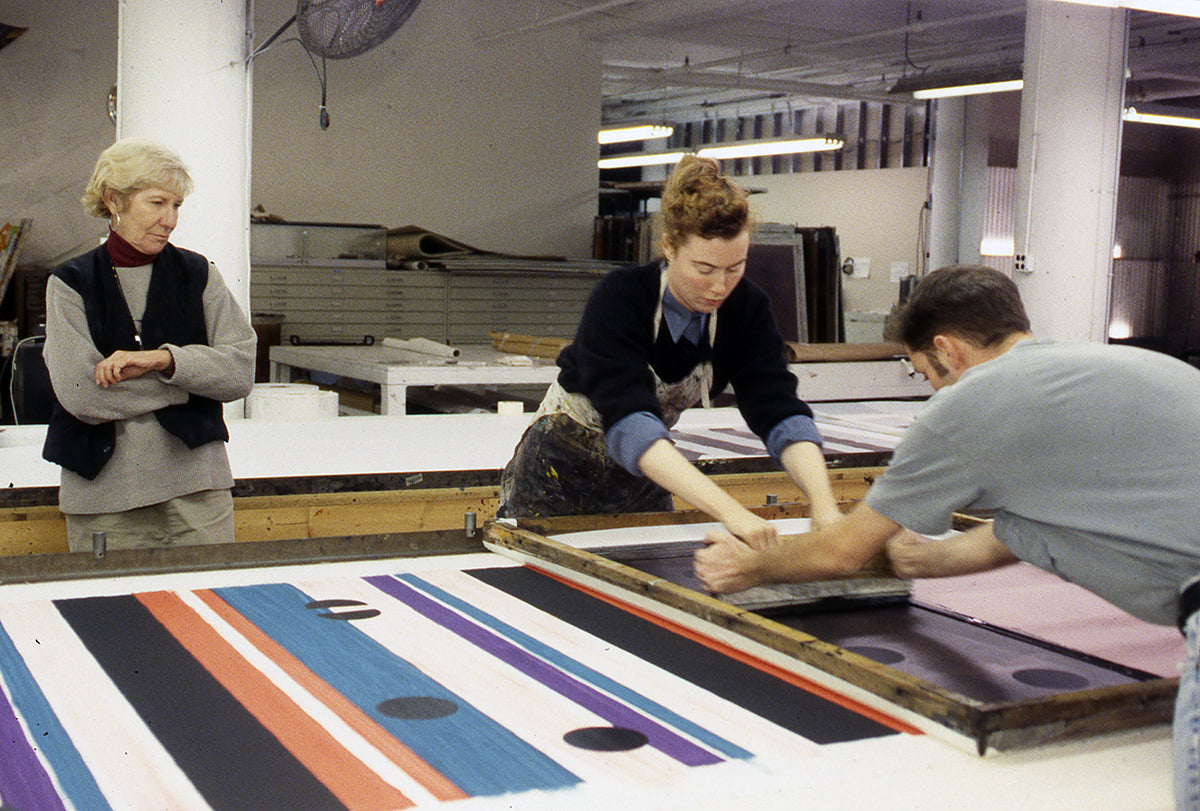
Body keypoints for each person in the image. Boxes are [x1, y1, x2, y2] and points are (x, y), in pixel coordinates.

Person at [693, 264, 1200, 809]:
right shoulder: (1110, 370)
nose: (933, 389)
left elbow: (844, 550)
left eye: (926, 373)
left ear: (948, 349)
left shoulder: (974, 401)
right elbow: (1018, 532)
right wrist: (922, 562)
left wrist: (748, 569)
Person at [499, 155, 840, 548]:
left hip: (645, 475)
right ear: (670, 247)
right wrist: (731, 511)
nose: (719, 286)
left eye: (735, 268)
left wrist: (824, 503)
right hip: (560, 467)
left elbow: (778, 409)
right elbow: (630, 420)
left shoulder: (747, 309)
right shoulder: (621, 298)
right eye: (704, 269)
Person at [41, 138, 256, 552]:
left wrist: (164, 360)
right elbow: (83, 394)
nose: (170, 219)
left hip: (199, 498)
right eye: (157, 203)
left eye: (177, 205)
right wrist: (187, 384)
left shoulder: (200, 274)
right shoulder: (69, 282)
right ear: (114, 200)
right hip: (105, 500)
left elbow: (240, 372)